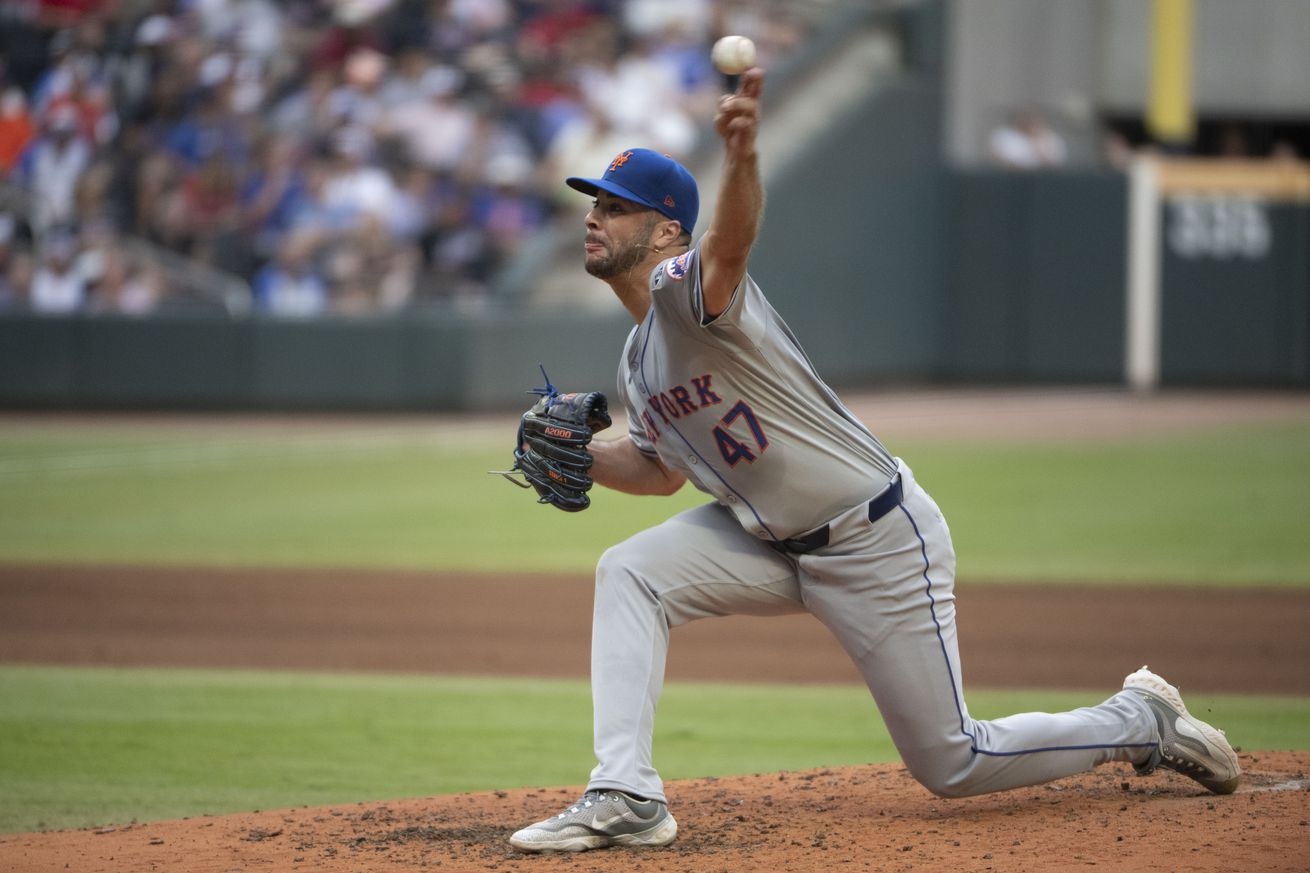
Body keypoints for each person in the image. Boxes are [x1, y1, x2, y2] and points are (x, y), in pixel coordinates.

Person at [507, 67, 1240, 854]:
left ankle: (1139, 719)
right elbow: (659, 469)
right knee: (631, 571)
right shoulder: (638, 362)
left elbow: (733, 240)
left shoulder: (690, 290)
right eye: (595, 204)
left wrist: (744, 155)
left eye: (618, 208)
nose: (595, 218)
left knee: (953, 760)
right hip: (767, 542)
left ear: (666, 233)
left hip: (876, 541)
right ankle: (626, 792)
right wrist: (582, 454)